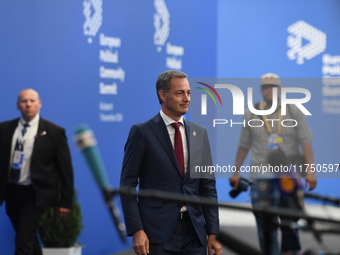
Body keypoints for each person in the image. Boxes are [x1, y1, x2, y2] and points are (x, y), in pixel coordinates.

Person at [120, 70, 222, 255]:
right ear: (162, 95)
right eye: (179, 93)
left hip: (195, 231)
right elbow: (127, 185)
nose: (187, 98)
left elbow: (208, 186)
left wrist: (213, 231)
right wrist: (137, 230)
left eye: (189, 93)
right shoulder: (142, 132)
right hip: (157, 233)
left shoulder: (200, 133)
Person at [230, 73, 317, 255]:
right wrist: (235, 171)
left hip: (288, 178)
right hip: (261, 178)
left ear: (280, 90)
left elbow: (306, 142)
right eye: (266, 87)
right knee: (265, 227)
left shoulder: (294, 111)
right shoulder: (251, 112)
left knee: (290, 224)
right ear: (261, 90)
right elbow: (244, 146)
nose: (269, 90)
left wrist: (311, 171)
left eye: (273, 87)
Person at [0, 89, 74, 255]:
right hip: (11, 191)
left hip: (35, 193)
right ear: (18, 105)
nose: (28, 104)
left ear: (39, 104)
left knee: (23, 241)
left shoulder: (54, 132)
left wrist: (66, 201)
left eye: (32, 101)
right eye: (24, 101)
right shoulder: (4, 129)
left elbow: (66, 169)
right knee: (28, 237)